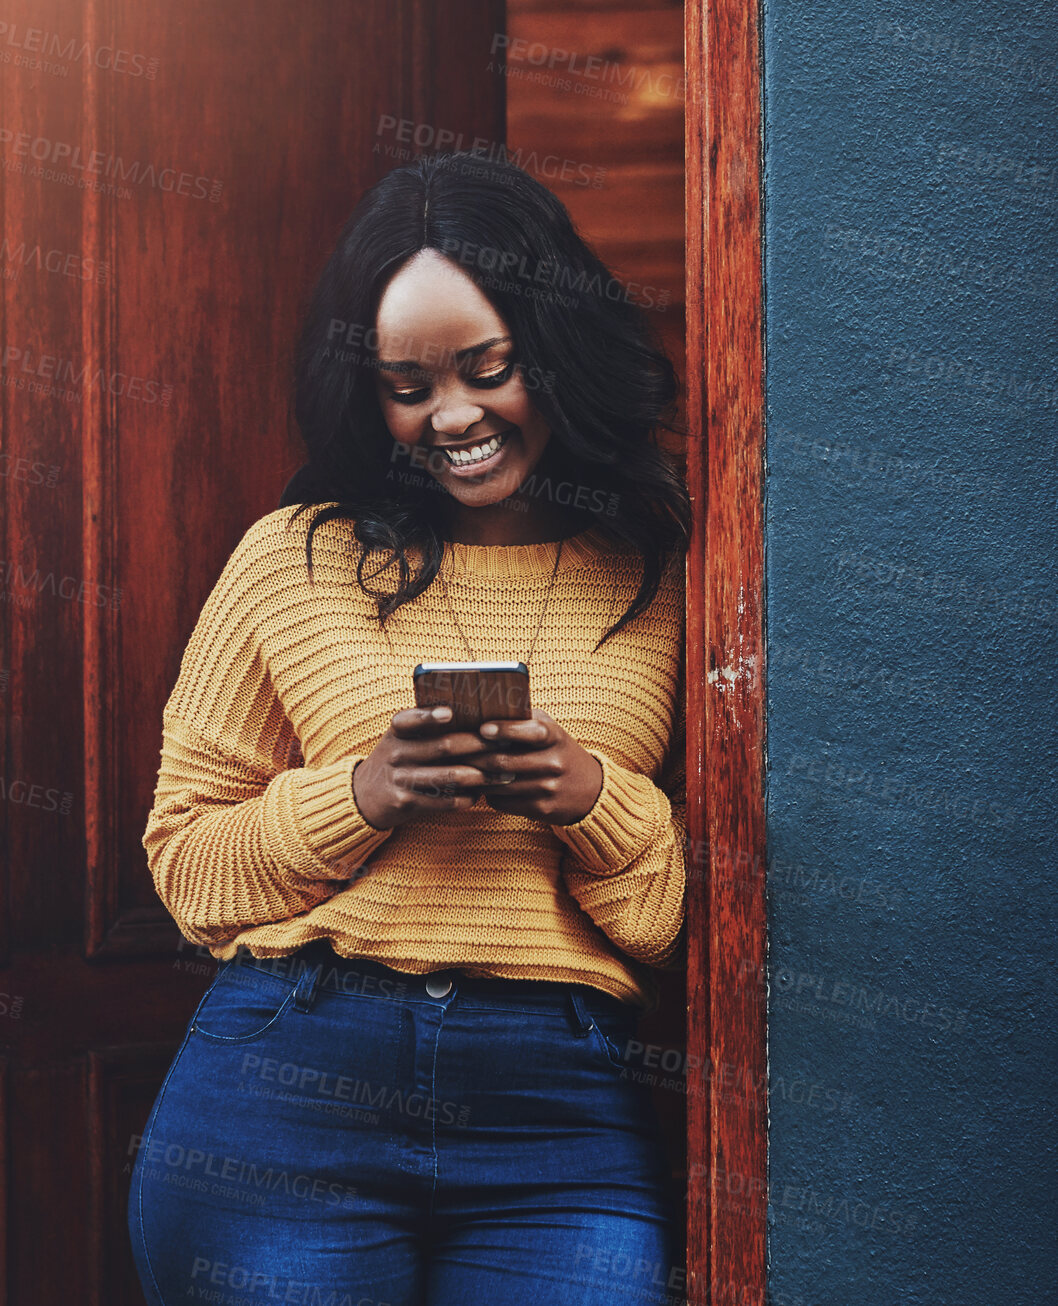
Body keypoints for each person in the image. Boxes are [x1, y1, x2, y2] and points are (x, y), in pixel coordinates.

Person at [128, 151, 689, 1306]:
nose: (454, 416)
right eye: (407, 385)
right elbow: (188, 867)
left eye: (491, 368)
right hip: (288, 1086)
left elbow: (667, 920)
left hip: (558, 1113)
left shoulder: (661, 566)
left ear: (555, 346)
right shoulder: (293, 554)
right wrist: (363, 793)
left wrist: (589, 796)